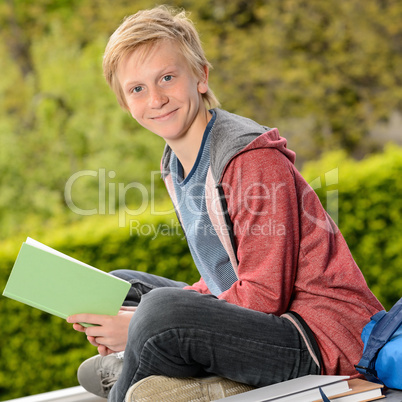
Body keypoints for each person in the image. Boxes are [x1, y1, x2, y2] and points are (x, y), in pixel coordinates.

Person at [67, 5, 384, 402]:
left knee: (159, 313)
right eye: (137, 89)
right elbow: (225, 274)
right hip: (266, 322)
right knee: (121, 288)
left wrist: (142, 327)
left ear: (200, 76)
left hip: (317, 340)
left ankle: (151, 370)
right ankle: (172, 369)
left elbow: (266, 295)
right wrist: (148, 314)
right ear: (124, 102)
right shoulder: (176, 165)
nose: (157, 98)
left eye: (167, 77)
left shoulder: (248, 158)